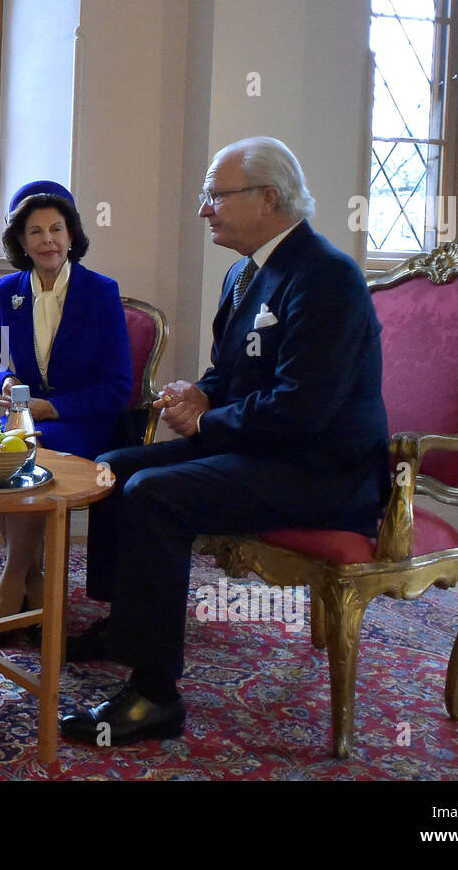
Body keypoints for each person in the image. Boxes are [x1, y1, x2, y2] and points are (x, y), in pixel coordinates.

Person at [60, 137, 391, 745]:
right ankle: (126, 624)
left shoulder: (327, 278)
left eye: (216, 195)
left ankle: (155, 695)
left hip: (321, 472)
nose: (205, 208)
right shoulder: (245, 274)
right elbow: (229, 375)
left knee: (156, 493)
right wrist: (200, 396)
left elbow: (304, 410)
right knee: (111, 466)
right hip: (260, 448)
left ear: (269, 198)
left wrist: (210, 422)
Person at [0, 180, 131, 641]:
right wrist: (6, 380)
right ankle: (35, 583)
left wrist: (54, 408)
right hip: (27, 418)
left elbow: (119, 386)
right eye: (36, 231)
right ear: (21, 242)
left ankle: (8, 589)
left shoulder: (100, 291)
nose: (48, 240)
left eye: (56, 230)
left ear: (71, 236)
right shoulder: (10, 290)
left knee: (23, 454)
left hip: (82, 422)